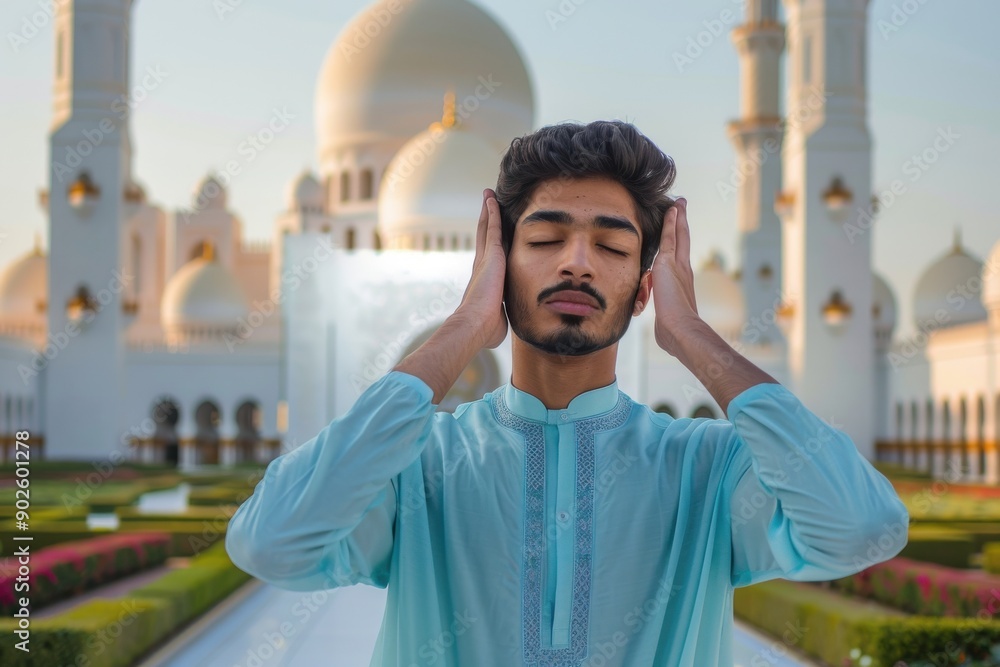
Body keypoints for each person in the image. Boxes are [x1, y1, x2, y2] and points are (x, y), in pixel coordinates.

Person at [226, 120, 908, 666]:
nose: (576, 261)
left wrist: (694, 335)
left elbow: (863, 525)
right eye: (547, 237)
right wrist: (462, 326)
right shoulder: (420, 467)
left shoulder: (705, 471)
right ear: (498, 270)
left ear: (645, 288)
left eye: (612, 247)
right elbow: (270, 542)